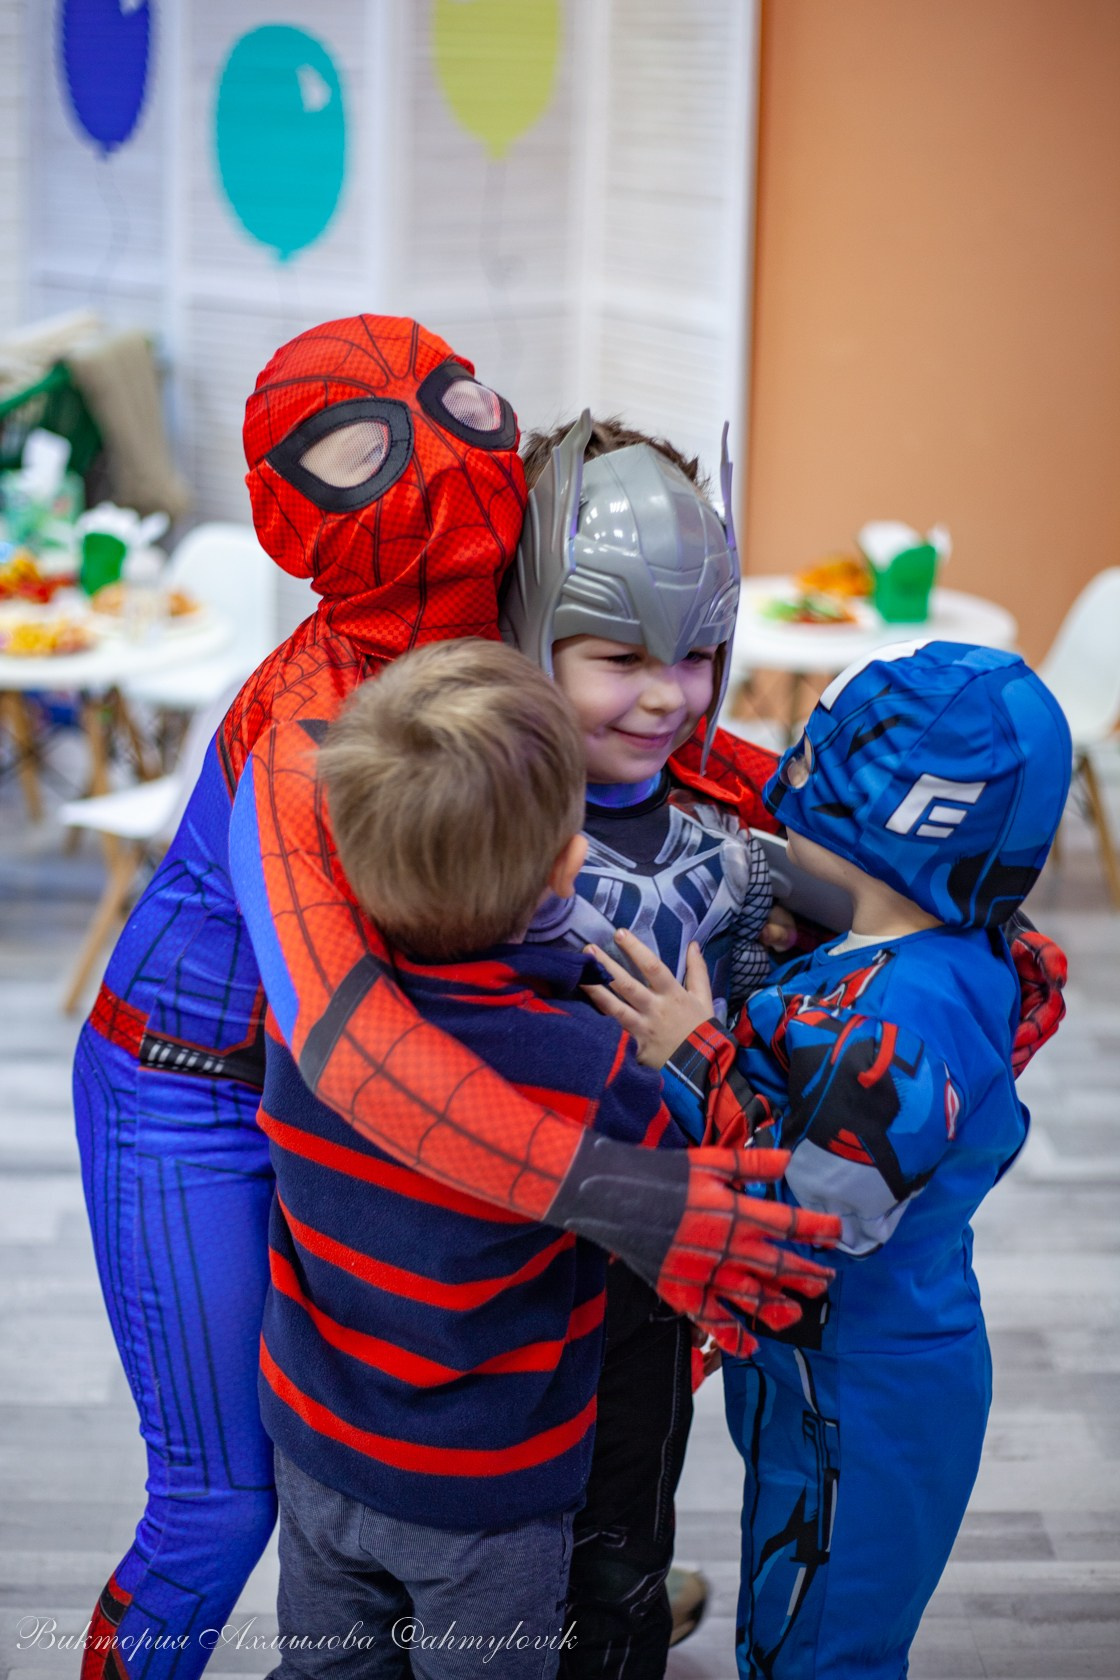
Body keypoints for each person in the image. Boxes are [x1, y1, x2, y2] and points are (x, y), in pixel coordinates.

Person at [72, 315, 835, 1680]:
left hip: (418, 1077)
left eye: (461, 410)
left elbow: (669, 735)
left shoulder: (514, 627)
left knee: (490, 1362)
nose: (435, 472)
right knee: (222, 1499)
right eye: (366, 451)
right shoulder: (305, 728)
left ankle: (565, 1587)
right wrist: (640, 1195)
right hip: (199, 1081)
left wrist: (912, 875)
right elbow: (345, 1042)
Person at [254, 637, 832, 1680]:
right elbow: (689, 1191)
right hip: (488, 1492)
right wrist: (692, 1040)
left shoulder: (305, 1026)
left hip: (319, 1450)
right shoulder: (583, 1060)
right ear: (571, 863)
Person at [584, 639, 1073, 1680]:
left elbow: (817, 1211)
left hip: (866, 1390)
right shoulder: (918, 948)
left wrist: (691, 1049)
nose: (783, 790)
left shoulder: (908, 1011)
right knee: (786, 1617)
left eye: (805, 772)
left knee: (820, 1645)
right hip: (827, 1372)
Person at [501, 411, 792, 1676]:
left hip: (658, 1281)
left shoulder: (736, 833)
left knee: (623, 1527)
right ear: (532, 634)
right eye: (620, 656)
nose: (667, 693)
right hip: (498, 1270)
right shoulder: (475, 826)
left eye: (699, 654)